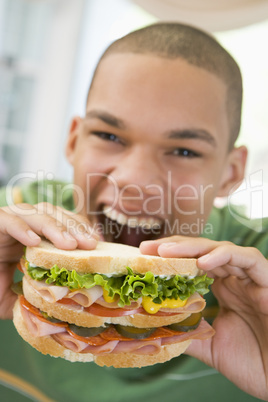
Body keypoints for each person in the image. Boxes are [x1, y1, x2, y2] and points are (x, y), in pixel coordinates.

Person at [0, 22, 267, 402]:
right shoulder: (10, 226)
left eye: (185, 151)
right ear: (74, 140)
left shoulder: (261, 276)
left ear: (231, 172)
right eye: (109, 136)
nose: (135, 180)